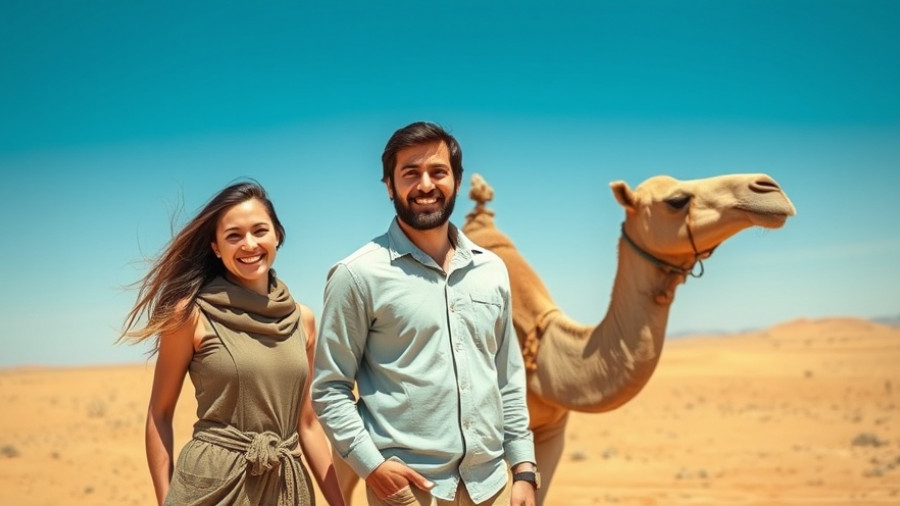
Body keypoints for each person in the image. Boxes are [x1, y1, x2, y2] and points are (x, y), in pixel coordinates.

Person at [311, 122, 538, 506]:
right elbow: (329, 389)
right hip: (408, 491)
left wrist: (525, 470)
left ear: (457, 181)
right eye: (410, 173)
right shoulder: (357, 274)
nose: (426, 185)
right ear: (389, 186)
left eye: (438, 172)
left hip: (491, 487)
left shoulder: (492, 270)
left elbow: (508, 379)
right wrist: (373, 467)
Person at [120, 181, 346, 506]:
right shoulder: (190, 315)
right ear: (216, 247)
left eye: (259, 230)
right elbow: (160, 412)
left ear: (277, 235)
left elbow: (307, 424)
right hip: (213, 485)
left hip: (286, 486)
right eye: (234, 235)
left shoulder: (303, 319)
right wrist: (164, 500)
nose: (249, 244)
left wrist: (339, 503)